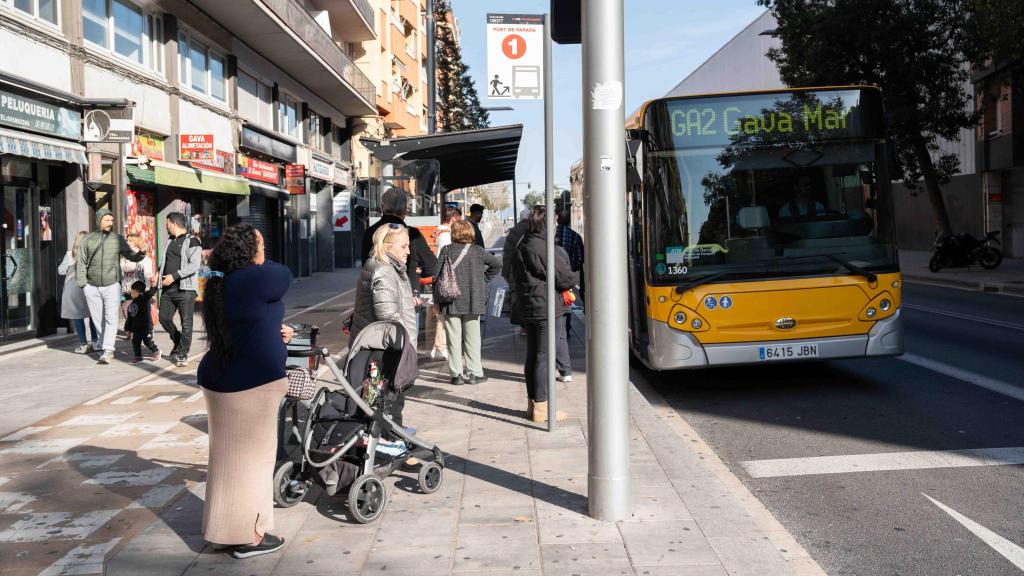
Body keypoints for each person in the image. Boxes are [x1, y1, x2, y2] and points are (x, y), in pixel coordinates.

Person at [197, 223, 294, 559]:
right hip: (252, 382)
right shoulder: (253, 277)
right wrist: (256, 254)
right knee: (255, 460)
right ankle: (250, 535)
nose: (265, 249)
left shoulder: (224, 281)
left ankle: (221, 529)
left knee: (226, 461)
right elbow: (283, 274)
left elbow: (251, 319)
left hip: (220, 379)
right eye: (261, 244)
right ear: (250, 251)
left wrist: (272, 329)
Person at [511, 206, 577, 423]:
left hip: (530, 306)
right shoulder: (542, 246)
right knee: (544, 358)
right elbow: (565, 278)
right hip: (545, 307)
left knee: (534, 356)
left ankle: (534, 404)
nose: (557, 225)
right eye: (555, 222)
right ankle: (542, 407)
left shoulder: (525, 241)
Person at [351, 224, 417, 429]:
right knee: (388, 404)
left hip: (378, 350)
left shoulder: (380, 266)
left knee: (374, 401)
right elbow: (388, 317)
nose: (408, 251)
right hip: (386, 352)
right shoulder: (385, 271)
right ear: (387, 246)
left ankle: (381, 444)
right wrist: (406, 347)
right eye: (403, 246)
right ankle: (389, 448)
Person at [77, 209, 148, 364]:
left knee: (111, 317)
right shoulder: (87, 239)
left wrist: (142, 253)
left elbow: (131, 256)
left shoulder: (117, 239)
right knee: (98, 319)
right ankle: (106, 346)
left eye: (111, 220)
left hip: (112, 284)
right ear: (99, 220)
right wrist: (83, 285)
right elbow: (81, 262)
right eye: (107, 220)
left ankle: (108, 350)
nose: (110, 223)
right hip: (91, 285)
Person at [438, 220, 501, 385]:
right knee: (473, 338)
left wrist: (437, 299)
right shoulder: (478, 251)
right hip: (473, 300)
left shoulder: (446, 250)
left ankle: (456, 375)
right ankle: (474, 373)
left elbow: (437, 276)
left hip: (450, 300)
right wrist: (483, 280)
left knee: (453, 338)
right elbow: (496, 264)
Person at [360, 188, 437, 295]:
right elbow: (432, 267)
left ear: (382, 207)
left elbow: (365, 266)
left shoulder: (370, 232)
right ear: (405, 209)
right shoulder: (412, 234)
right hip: (405, 295)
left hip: (375, 293)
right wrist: (416, 270)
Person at [159, 212, 203, 366]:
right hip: (167, 289)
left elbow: (194, 265)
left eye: (167, 223)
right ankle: (178, 341)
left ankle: (183, 353)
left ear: (173, 223)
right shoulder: (170, 241)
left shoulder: (193, 241)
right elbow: (166, 261)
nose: (166, 226)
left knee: (186, 322)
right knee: (163, 319)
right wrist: (158, 274)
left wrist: (174, 276)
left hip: (185, 289)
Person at [427, 206, 461, 360]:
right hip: (443, 278)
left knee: (435, 311)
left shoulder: (437, 232)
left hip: (437, 276)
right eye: (458, 221)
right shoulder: (446, 236)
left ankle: (433, 346)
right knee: (441, 314)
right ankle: (441, 346)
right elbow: (445, 259)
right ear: (453, 219)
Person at [554, 209, 585, 380]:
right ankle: (567, 327)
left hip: (553, 283)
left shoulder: (551, 237)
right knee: (567, 304)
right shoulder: (575, 236)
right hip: (568, 278)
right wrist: (571, 269)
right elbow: (581, 257)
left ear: (557, 220)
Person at [59, 231, 97, 353]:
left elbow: (60, 270)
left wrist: (71, 266)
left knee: (77, 316)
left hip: (75, 289)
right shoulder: (92, 255)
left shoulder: (70, 255)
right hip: (88, 287)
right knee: (93, 315)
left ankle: (83, 344)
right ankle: (96, 342)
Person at [502, 208, 533, 336]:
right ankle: (530, 325)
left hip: (515, 271)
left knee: (518, 299)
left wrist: (505, 272)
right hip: (530, 270)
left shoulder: (513, 231)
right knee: (530, 298)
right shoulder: (533, 229)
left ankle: (523, 327)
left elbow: (507, 254)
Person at [125, 279, 161, 364]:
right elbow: (130, 318)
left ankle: (156, 351)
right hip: (136, 328)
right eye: (132, 292)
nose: (132, 294)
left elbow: (150, 293)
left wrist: (153, 286)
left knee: (148, 342)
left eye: (134, 292)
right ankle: (138, 356)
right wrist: (128, 328)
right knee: (135, 342)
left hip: (146, 327)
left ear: (140, 292)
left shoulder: (144, 298)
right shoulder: (131, 305)